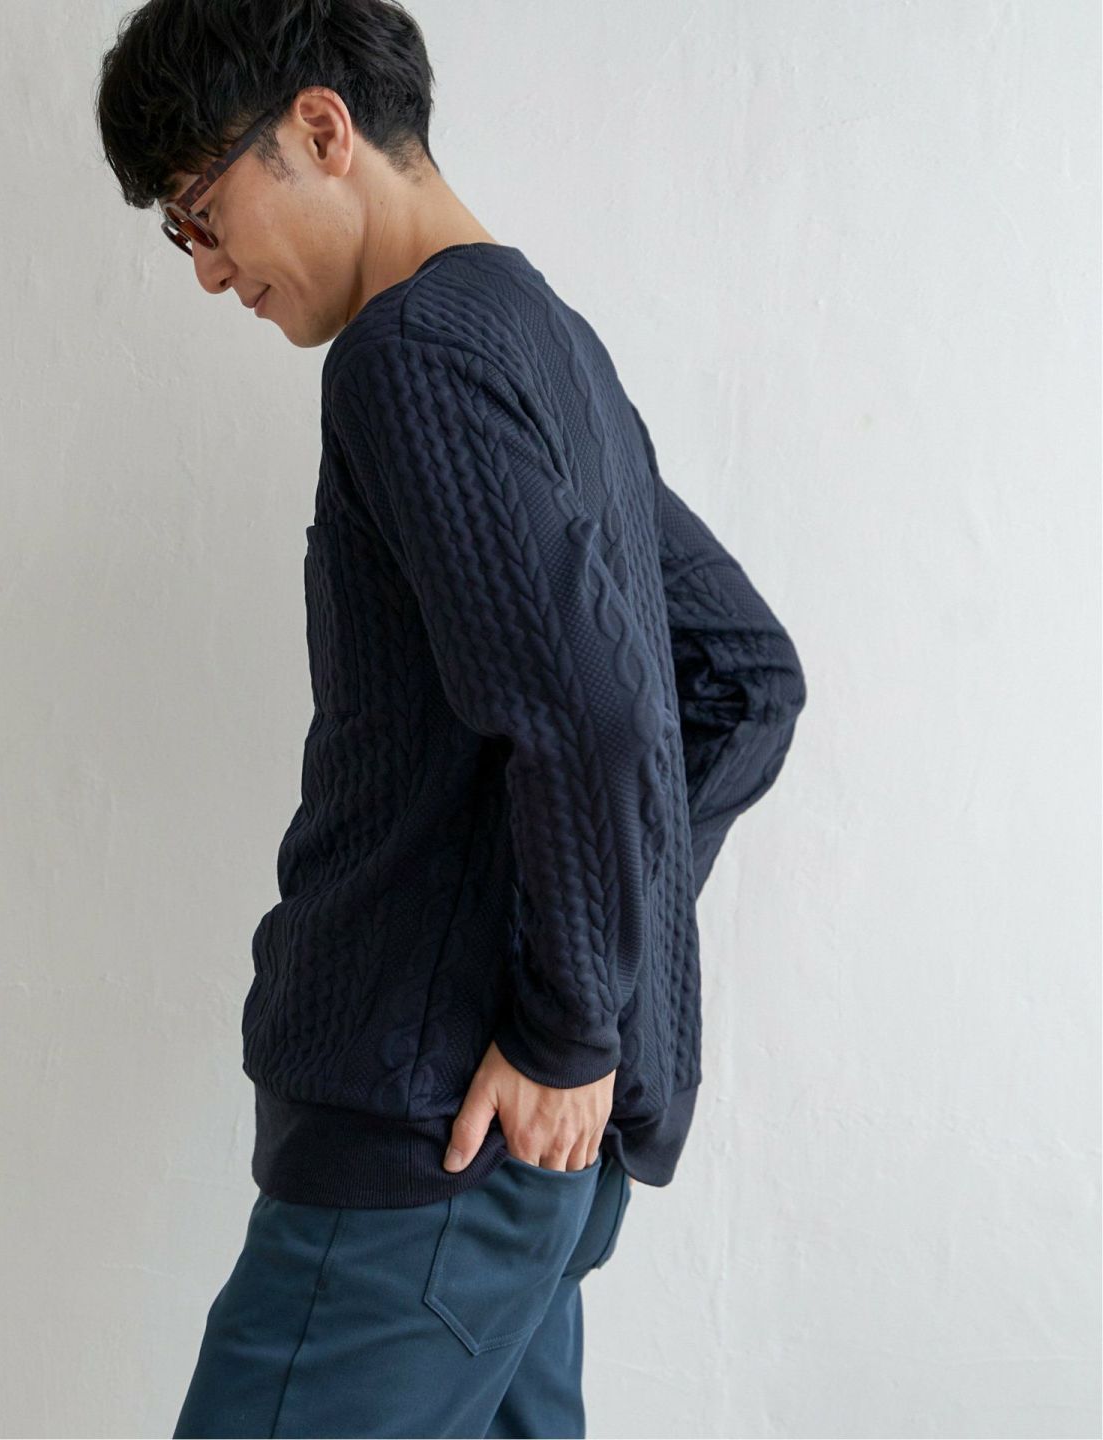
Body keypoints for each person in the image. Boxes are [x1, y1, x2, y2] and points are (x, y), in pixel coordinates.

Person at [95, 2, 808, 1435]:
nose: (208, 267)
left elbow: (606, 713)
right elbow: (738, 675)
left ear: (320, 128)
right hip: (518, 1165)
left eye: (200, 210)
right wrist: (578, 996)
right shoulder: (551, 347)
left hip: (421, 1161)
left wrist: (563, 1025)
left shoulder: (408, 354)